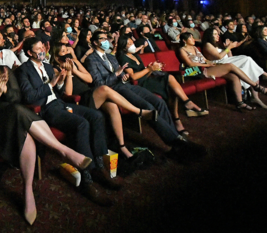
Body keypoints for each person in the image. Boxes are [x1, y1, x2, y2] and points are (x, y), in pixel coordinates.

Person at [0, 40, 94, 225]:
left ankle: (27, 191)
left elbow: (16, 98)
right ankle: (63, 151)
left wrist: (6, 89)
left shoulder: (4, 71)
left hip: (15, 118)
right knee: (17, 112)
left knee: (22, 122)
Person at [17, 37, 120, 203]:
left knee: (96, 116)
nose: (42, 50)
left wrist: (62, 80)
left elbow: (59, 90)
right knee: (81, 124)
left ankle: (98, 167)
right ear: (29, 52)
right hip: (45, 110)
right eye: (38, 48)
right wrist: (50, 85)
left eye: (43, 47)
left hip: (60, 103)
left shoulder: (49, 66)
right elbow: (29, 96)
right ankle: (87, 179)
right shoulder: (24, 70)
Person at [85, 31, 206, 162]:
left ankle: (176, 137)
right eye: (102, 39)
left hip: (125, 85)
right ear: (95, 42)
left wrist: (123, 77)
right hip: (114, 90)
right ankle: (175, 143)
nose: (106, 41)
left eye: (106, 38)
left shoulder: (111, 57)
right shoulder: (91, 59)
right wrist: (116, 75)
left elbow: (121, 76)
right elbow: (98, 83)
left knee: (159, 102)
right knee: (148, 107)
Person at [50, 42, 154, 173]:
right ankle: (139, 111)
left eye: (67, 51)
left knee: (112, 106)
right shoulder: (55, 69)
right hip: (78, 102)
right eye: (63, 52)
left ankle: (122, 147)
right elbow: (68, 94)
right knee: (105, 89)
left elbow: (89, 79)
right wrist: (69, 74)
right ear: (56, 57)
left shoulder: (75, 63)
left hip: (90, 93)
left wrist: (75, 69)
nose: (67, 54)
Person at [116, 36, 208, 134]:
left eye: (132, 43)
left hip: (147, 79)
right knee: (170, 81)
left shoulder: (135, 55)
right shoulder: (123, 57)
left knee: (170, 81)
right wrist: (149, 69)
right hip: (139, 85)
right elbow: (133, 77)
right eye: (129, 44)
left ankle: (178, 117)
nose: (133, 46)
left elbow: (145, 73)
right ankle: (183, 108)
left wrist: (153, 68)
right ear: (123, 47)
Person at [178, 32, 263, 111]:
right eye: (191, 38)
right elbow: (190, 64)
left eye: (193, 37)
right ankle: (255, 85)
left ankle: (240, 103)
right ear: (184, 40)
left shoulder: (195, 48)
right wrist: (207, 65)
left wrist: (211, 63)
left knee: (234, 77)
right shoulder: (182, 50)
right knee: (230, 66)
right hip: (197, 71)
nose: (193, 39)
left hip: (207, 67)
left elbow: (205, 60)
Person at [200, 28, 267, 108]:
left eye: (217, 34)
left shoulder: (217, 44)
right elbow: (219, 56)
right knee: (247, 59)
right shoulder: (207, 45)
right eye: (214, 34)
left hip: (228, 62)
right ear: (209, 36)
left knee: (250, 67)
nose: (217, 36)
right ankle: (265, 77)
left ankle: (256, 97)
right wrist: (229, 47)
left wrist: (228, 48)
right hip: (219, 65)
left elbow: (229, 56)